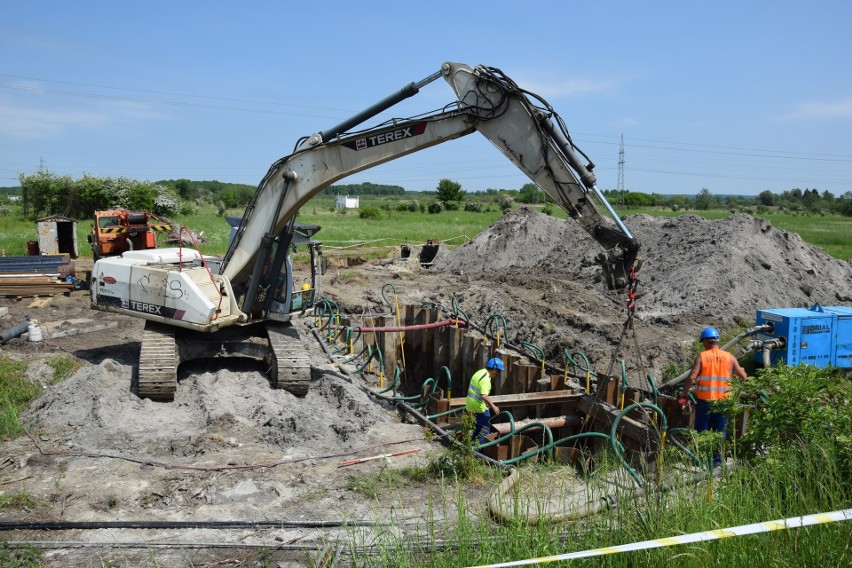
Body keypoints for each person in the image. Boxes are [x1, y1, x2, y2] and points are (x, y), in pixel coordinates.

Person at [681, 326, 747, 466]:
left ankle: (703, 460)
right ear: (716, 341)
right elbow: (743, 376)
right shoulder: (729, 357)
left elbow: (691, 378)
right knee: (720, 432)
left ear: (705, 341)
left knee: (703, 431)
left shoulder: (702, 356)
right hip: (724, 402)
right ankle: (717, 462)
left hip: (705, 401)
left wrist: (684, 393)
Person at [466, 357, 503, 444]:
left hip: (470, 405)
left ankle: (472, 447)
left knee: (478, 428)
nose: (498, 374)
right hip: (479, 408)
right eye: (498, 371)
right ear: (494, 369)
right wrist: (493, 406)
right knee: (484, 430)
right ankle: (479, 453)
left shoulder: (480, 372)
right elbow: (484, 396)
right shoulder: (485, 379)